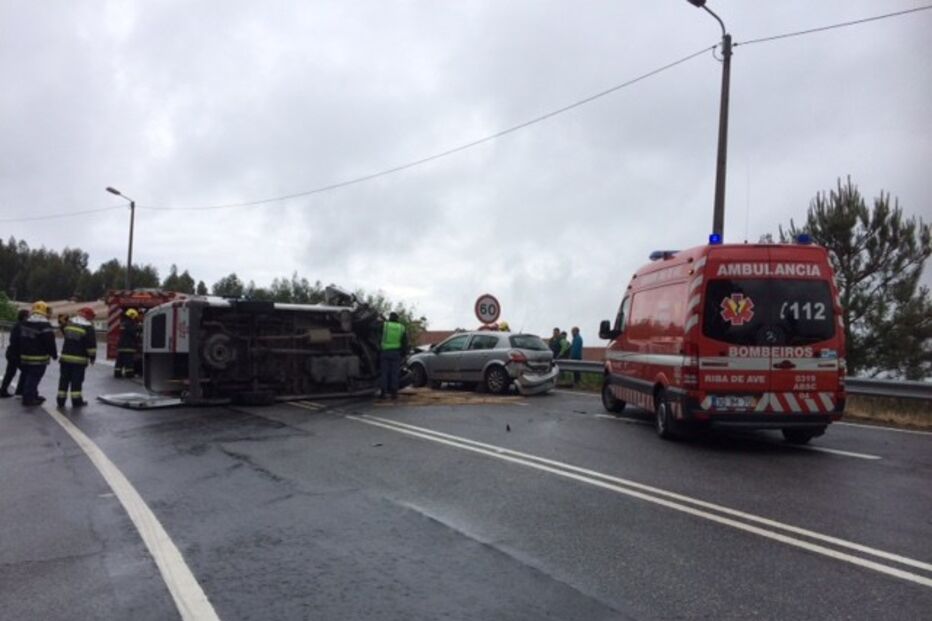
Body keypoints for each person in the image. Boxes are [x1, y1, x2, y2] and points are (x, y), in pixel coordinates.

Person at [17, 301, 58, 406]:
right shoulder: (44, 324)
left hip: (25, 355)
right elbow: (49, 342)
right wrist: (54, 354)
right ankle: (28, 399)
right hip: (38, 357)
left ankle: (33, 395)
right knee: (34, 378)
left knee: (28, 376)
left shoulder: (26, 322)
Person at [57, 307, 97, 407]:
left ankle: (60, 401)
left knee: (64, 380)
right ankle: (76, 401)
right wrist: (92, 357)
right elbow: (91, 345)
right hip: (79, 361)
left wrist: (69, 316)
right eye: (91, 317)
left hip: (65, 359)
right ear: (87, 316)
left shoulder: (69, 324)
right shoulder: (88, 327)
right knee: (76, 381)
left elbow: (60, 319)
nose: (91, 319)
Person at [0, 309, 29, 398]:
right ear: (24, 317)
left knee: (10, 372)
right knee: (25, 371)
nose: (29, 318)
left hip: (12, 353)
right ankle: (19, 391)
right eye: (28, 316)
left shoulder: (17, 326)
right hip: (15, 354)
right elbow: (20, 341)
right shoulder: (21, 327)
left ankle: (3, 390)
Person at [379, 312, 408, 400]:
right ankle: (394, 393)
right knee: (394, 373)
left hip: (385, 352)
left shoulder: (385, 325)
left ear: (390, 318)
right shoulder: (401, 327)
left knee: (384, 373)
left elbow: (376, 333)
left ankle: (383, 393)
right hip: (396, 353)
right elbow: (404, 342)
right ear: (397, 318)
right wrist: (403, 353)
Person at [115, 308, 139, 378]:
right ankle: (129, 374)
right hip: (128, 346)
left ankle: (117, 373)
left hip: (121, 346)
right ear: (132, 316)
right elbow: (134, 334)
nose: (135, 318)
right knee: (129, 361)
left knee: (119, 361)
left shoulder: (123, 323)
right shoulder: (131, 324)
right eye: (135, 317)